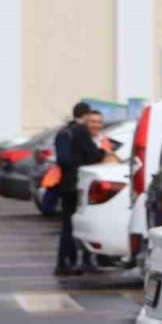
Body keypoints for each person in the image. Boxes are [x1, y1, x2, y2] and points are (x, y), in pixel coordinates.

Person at [53, 102, 104, 276]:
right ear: (85, 116)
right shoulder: (81, 131)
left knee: (67, 225)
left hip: (66, 184)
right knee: (74, 226)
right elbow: (93, 155)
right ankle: (72, 262)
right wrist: (104, 153)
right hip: (78, 185)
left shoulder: (64, 131)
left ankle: (63, 262)